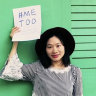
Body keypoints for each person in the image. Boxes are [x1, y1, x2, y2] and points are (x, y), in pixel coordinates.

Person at [0, 27, 83, 96]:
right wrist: (15, 42)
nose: (54, 50)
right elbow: (11, 70)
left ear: (65, 47)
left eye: (58, 46)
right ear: (45, 50)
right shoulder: (37, 68)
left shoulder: (75, 71)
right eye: (49, 47)